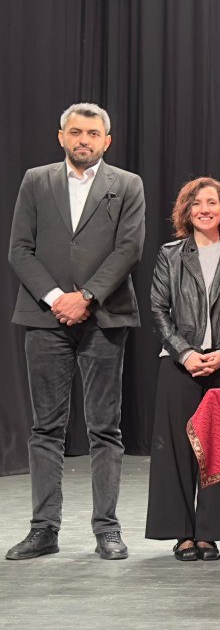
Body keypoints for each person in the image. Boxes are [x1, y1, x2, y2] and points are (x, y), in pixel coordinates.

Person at [6, 103, 145, 561]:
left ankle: (107, 529)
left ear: (107, 141)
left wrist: (85, 297)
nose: (84, 139)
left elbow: (129, 248)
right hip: (45, 319)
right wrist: (56, 298)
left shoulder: (127, 184)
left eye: (93, 133)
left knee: (105, 427)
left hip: (104, 317)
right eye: (76, 132)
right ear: (61, 136)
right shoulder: (36, 180)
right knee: (46, 428)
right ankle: (43, 529)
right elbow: (20, 249)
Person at [145, 178, 220, 561]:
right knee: (176, 448)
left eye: (212, 203)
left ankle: (210, 533)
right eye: (197, 203)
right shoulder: (170, 254)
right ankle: (182, 533)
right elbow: (159, 309)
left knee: (219, 450)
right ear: (186, 211)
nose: (204, 209)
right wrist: (184, 352)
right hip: (180, 364)